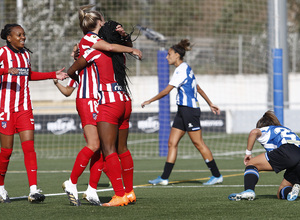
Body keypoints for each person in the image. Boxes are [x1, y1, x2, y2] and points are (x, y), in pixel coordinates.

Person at [62, 5, 142, 206]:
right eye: (105, 22)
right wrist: (127, 41)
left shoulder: (93, 49)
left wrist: (74, 72)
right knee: (117, 148)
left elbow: (78, 65)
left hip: (105, 100)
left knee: (104, 148)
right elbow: (114, 46)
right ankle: (109, 190)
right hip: (124, 99)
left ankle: (115, 193)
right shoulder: (117, 53)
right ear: (98, 23)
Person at [0, 24, 68, 203]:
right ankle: (0, 188)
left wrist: (53, 74)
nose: (23, 37)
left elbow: (29, 75)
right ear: (9, 38)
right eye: (19, 35)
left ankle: (33, 190)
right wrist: (5, 71)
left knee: (29, 148)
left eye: (24, 34)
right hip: (6, 110)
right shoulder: (2, 53)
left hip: (24, 108)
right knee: (6, 151)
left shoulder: (26, 54)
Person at [141, 39, 223, 186]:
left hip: (189, 111)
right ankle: (164, 178)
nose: (167, 57)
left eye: (169, 54)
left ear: (177, 55)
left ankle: (217, 175)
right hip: (183, 111)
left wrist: (149, 101)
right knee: (172, 143)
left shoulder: (181, 70)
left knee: (198, 143)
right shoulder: (186, 68)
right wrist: (210, 103)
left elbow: (166, 91)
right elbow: (198, 88)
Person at [228, 110, 300, 201]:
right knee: (280, 192)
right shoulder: (286, 129)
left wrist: (248, 153)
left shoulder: (267, 129)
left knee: (251, 164)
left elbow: (253, 132)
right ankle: (292, 191)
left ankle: (248, 191)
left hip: (288, 151)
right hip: (295, 153)